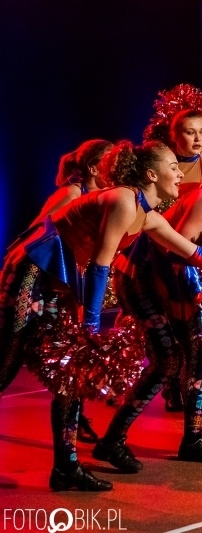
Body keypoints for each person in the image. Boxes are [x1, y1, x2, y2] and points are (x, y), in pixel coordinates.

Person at [0, 139, 202, 491]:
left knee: (71, 372)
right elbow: (100, 265)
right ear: (151, 174)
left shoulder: (149, 216)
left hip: (63, 280)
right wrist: (91, 329)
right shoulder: (123, 200)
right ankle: (66, 464)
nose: (179, 174)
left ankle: (65, 467)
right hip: (34, 271)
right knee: (8, 362)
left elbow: (192, 252)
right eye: (173, 167)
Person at [94, 149, 202, 469]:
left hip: (177, 280)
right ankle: (113, 440)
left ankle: (193, 438)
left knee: (199, 353)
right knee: (169, 360)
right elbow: (178, 254)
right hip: (143, 278)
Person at [28, 139, 113, 444]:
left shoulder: (106, 197)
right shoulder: (72, 194)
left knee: (71, 358)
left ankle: (74, 422)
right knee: (15, 356)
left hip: (67, 287)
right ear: (93, 168)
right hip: (40, 285)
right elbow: (35, 235)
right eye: (111, 161)